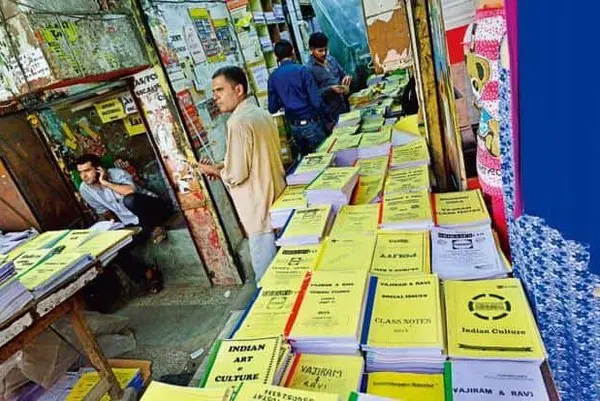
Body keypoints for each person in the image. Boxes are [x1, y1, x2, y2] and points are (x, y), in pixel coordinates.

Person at [197, 66, 286, 281]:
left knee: (268, 278)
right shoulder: (260, 113)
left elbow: (236, 175)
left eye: (219, 90)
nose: (215, 97)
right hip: (277, 199)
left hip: (258, 209)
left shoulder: (237, 122)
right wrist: (222, 166)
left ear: (238, 90)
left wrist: (213, 171)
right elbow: (254, 159)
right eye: (214, 92)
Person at [75, 154, 168, 293]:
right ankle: (149, 274)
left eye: (87, 171)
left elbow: (130, 192)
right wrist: (115, 229)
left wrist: (105, 182)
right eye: (80, 172)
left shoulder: (117, 174)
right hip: (133, 223)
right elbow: (105, 212)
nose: (84, 176)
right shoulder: (85, 189)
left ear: (99, 169)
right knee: (114, 250)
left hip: (154, 210)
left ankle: (156, 227)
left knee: (129, 200)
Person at [268, 39, 327, 156]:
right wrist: (326, 121)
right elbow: (316, 102)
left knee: (306, 164)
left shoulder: (273, 77)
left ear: (276, 56)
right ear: (293, 51)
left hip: (294, 128)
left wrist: (284, 97)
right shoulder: (302, 70)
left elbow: (272, 108)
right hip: (312, 124)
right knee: (325, 157)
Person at [308, 32, 353, 130]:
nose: (324, 53)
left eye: (325, 50)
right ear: (311, 50)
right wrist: (330, 89)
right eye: (320, 51)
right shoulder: (308, 70)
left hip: (344, 107)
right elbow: (313, 96)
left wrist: (347, 77)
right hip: (330, 116)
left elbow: (343, 73)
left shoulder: (331, 60)